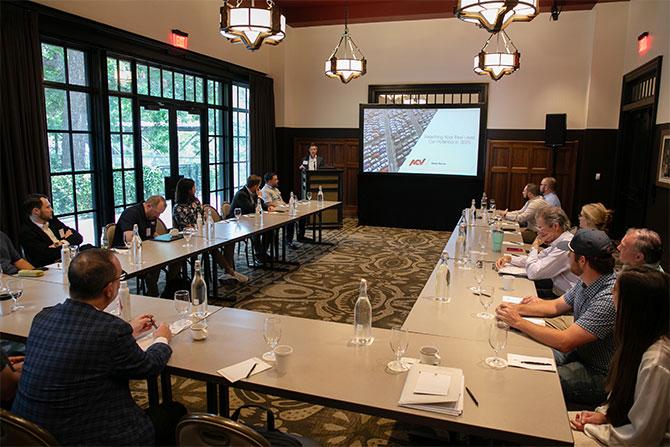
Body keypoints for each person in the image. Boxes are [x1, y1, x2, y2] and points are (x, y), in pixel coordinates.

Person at [12, 249, 185, 446]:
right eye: (119, 278)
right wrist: (161, 339)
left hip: (28, 435)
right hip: (87, 439)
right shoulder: (110, 331)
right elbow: (148, 367)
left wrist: (128, 330)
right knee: (175, 412)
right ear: (109, 289)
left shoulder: (43, 317)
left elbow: (83, 342)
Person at [496, 228, 617, 406]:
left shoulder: (608, 297)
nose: (567, 257)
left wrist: (518, 321)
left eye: (570, 253)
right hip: (580, 353)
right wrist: (515, 309)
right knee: (525, 351)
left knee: (531, 379)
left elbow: (565, 342)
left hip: (599, 373)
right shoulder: (589, 279)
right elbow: (554, 306)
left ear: (582, 260)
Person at [571, 266, 669, 446]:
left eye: (616, 290)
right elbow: (626, 395)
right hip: (619, 428)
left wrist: (592, 428)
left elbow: (642, 437)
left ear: (632, 305)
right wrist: (604, 415)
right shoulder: (638, 339)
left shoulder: (657, 361)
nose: (611, 293)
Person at [173, 178, 247, 283]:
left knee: (229, 241)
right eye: (193, 187)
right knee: (212, 247)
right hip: (189, 238)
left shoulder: (195, 201)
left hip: (202, 232)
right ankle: (230, 271)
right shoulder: (178, 208)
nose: (195, 189)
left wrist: (205, 218)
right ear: (188, 190)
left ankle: (228, 272)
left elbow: (203, 214)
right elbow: (185, 226)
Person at [495, 207, 578, 298]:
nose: (538, 233)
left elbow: (533, 273)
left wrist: (535, 246)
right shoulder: (561, 240)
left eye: (540, 228)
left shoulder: (564, 246)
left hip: (563, 299)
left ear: (555, 226)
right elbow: (537, 259)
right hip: (556, 291)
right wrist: (510, 259)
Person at [112, 195, 168, 296]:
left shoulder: (151, 215)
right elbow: (130, 239)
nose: (158, 216)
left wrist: (163, 241)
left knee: (160, 260)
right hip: (125, 253)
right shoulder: (131, 214)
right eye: (157, 213)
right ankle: (152, 292)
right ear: (149, 206)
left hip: (145, 250)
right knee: (155, 264)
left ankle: (165, 287)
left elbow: (152, 233)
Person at [19, 193, 84, 268]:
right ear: (36, 211)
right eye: (47, 207)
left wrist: (60, 243)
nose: (51, 210)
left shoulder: (53, 221)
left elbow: (78, 237)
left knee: (88, 249)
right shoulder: (27, 232)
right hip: (51, 267)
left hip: (69, 258)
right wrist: (67, 242)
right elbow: (47, 255)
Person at [227, 175, 274, 264]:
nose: (259, 188)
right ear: (255, 186)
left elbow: (260, 205)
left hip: (249, 220)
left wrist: (268, 207)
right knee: (256, 231)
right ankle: (258, 254)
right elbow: (251, 208)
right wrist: (259, 197)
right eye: (259, 185)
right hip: (237, 222)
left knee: (269, 230)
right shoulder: (241, 194)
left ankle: (262, 253)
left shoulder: (253, 192)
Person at [262, 172, 305, 249]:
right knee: (290, 220)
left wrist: (287, 206)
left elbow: (281, 201)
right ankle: (289, 241)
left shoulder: (275, 189)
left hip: (283, 209)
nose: (277, 181)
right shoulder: (265, 191)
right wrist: (282, 207)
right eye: (275, 180)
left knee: (301, 215)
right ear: (270, 182)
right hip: (275, 212)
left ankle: (301, 235)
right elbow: (268, 203)